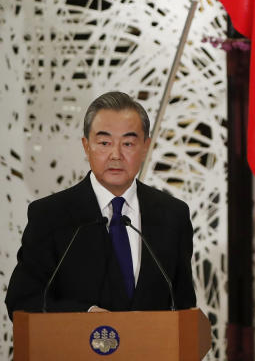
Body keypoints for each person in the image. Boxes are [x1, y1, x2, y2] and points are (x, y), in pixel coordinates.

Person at [5, 91, 196, 317]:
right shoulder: (50, 215)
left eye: (128, 143)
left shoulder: (173, 215)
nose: (116, 155)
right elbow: (23, 300)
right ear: (86, 146)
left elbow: (184, 308)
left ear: (145, 147)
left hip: (152, 352)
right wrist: (85, 315)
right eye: (104, 142)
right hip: (76, 350)